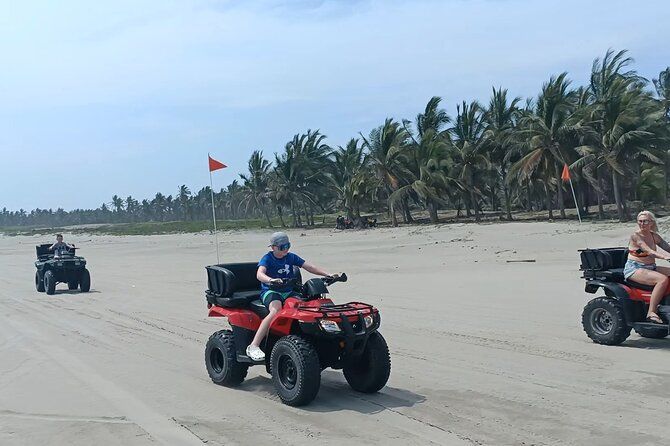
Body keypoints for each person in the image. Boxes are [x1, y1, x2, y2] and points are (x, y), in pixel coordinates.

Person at [246, 231, 338, 360]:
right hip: (271, 291)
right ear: (273, 247)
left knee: (303, 307)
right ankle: (254, 346)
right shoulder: (267, 258)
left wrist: (327, 274)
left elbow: (309, 266)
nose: (286, 249)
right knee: (275, 310)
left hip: (289, 291)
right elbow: (259, 274)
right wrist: (270, 280)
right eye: (282, 247)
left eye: (288, 246)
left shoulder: (291, 257)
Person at [625, 210, 670, 324]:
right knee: (662, 280)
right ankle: (651, 312)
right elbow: (648, 251)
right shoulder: (636, 236)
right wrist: (664, 257)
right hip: (634, 268)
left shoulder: (654, 236)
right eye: (640, 221)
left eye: (645, 221)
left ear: (651, 222)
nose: (642, 223)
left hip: (651, 267)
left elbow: (667, 247)